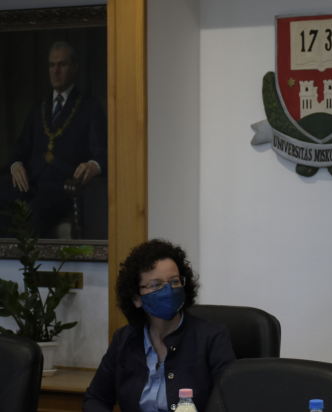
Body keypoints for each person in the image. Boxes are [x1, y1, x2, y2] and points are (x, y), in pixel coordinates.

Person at [84, 239, 235, 412]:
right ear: (137, 298)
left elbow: (231, 403)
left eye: (174, 281)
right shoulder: (123, 340)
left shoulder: (212, 338)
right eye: (155, 284)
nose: (168, 290)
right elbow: (95, 399)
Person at [0, 41, 107, 238]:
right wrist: (16, 165)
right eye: (52, 65)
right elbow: (20, 148)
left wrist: (93, 165)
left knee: (31, 215)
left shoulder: (90, 108)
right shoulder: (38, 108)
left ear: (74, 68)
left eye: (62, 64)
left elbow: (101, 152)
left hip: (62, 187)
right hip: (31, 182)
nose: (56, 71)